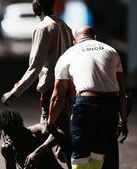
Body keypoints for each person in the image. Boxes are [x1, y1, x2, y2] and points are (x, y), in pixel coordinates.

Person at [47, 25, 128, 169]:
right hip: (111, 105)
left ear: (74, 41)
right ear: (95, 37)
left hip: (86, 104)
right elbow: (122, 92)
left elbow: (57, 97)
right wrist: (123, 121)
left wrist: (50, 123)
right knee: (98, 152)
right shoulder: (111, 51)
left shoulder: (68, 54)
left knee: (79, 156)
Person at [1, 0, 73, 123]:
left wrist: (15, 91)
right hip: (66, 87)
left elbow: (35, 66)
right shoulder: (65, 26)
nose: (32, 4)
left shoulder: (43, 28)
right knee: (63, 130)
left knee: (49, 129)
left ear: (39, 3)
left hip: (51, 89)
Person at [0, 109, 68, 169]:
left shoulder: (37, 130)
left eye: (14, 131)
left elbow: (60, 133)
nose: (12, 137)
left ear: (20, 124)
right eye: (8, 133)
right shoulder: (9, 147)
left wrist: (37, 153)